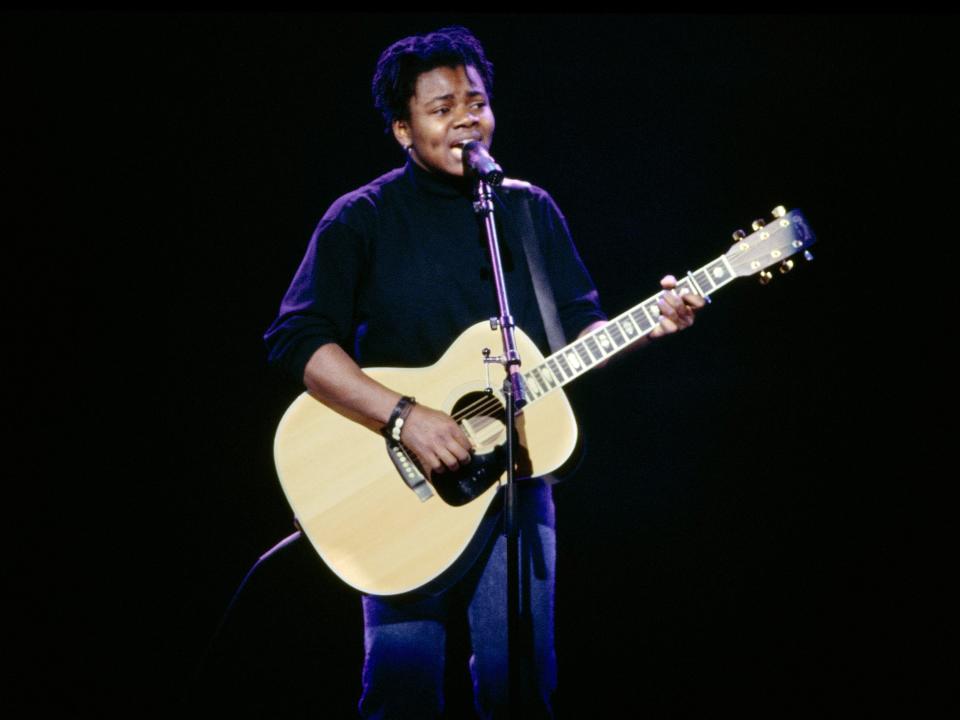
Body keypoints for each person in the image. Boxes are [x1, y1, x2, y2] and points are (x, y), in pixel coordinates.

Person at [263, 25, 704, 719]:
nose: (467, 117)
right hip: (401, 490)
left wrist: (650, 324)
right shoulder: (362, 218)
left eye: (476, 101)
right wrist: (405, 416)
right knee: (401, 690)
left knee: (520, 686)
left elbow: (580, 332)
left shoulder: (528, 211)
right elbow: (298, 338)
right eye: (442, 108)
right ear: (404, 130)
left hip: (516, 486)